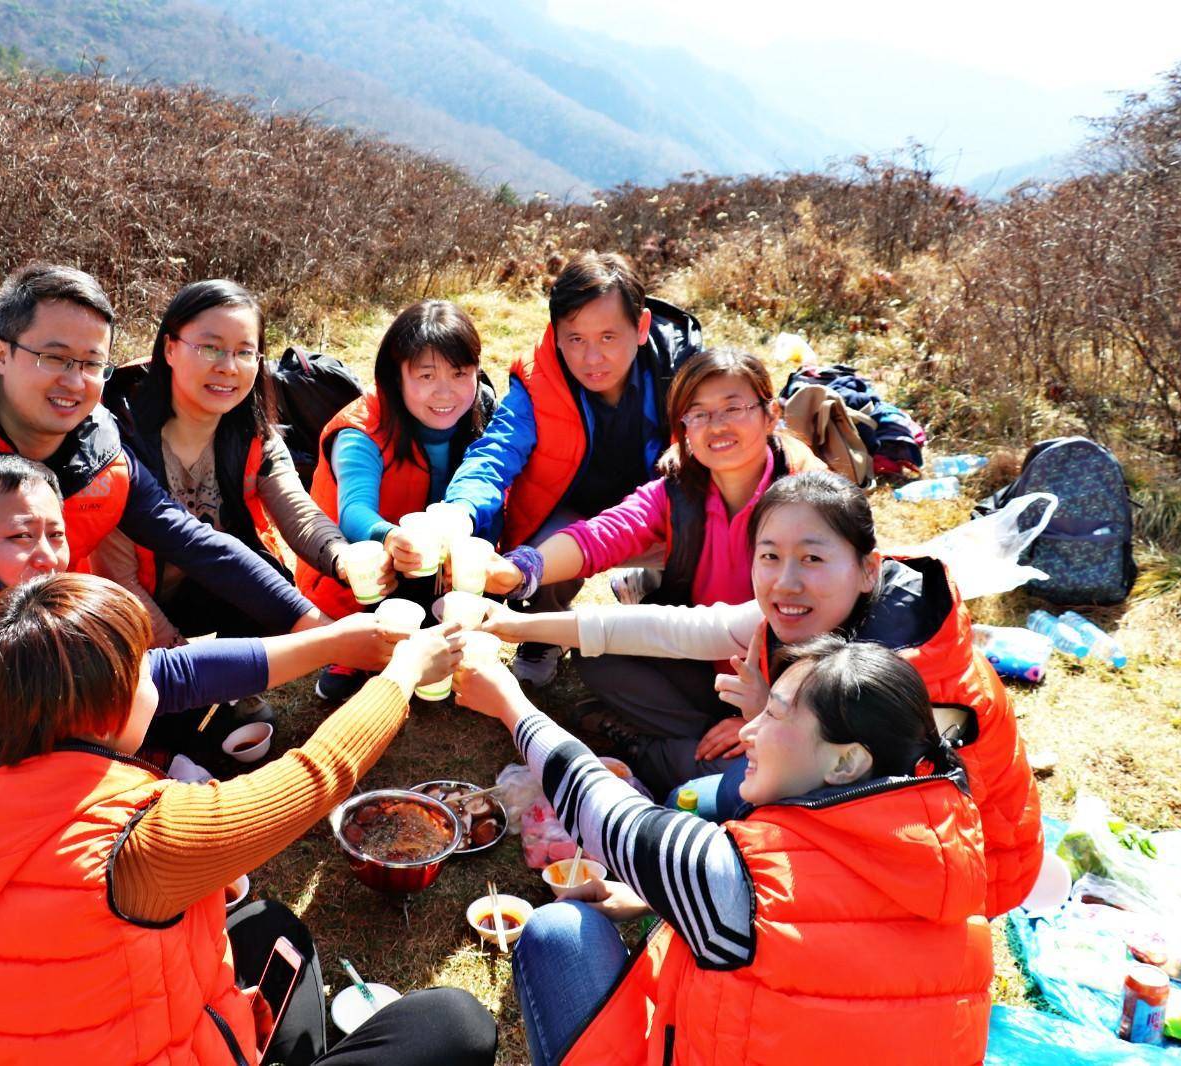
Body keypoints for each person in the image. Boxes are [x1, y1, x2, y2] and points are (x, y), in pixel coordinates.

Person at [0, 455, 404, 1064]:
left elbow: (159, 677)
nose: (47, 555)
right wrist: (398, 677)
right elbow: (297, 777)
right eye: (21, 536)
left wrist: (333, 640)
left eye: (56, 532)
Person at [0, 574, 497, 1066]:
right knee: (455, 1023)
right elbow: (318, 774)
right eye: (143, 667)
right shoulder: (141, 840)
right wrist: (404, 674)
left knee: (269, 929)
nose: (158, 676)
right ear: (105, 711)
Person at [481, 470, 1043, 916]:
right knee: (638, 693)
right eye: (769, 555)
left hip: (954, 880)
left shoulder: (889, 682)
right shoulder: (835, 605)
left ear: (868, 568)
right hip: (834, 789)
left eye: (813, 558)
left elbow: (849, 827)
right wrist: (509, 624)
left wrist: (759, 718)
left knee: (690, 801)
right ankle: (667, 758)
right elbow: (672, 630)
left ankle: (655, 759)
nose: (785, 581)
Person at [454, 636, 992, 1066]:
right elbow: (832, 938)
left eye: (775, 715)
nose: (750, 731)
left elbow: (603, 808)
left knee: (558, 932)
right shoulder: (952, 865)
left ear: (845, 764)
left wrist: (508, 700)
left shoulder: (743, 881)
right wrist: (654, 901)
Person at [0, 261, 324, 661]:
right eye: (55, 358)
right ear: (0, 353)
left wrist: (312, 623)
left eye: (92, 364)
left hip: (58, 651)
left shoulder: (99, 445)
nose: (75, 381)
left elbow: (193, 542)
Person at [482, 348, 827, 789]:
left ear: (770, 412)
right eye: (698, 414)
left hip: (791, 680)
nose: (716, 426)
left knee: (752, 776)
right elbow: (602, 535)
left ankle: (665, 751)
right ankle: (704, 739)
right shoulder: (680, 488)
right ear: (682, 427)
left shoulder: (808, 497)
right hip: (711, 662)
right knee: (597, 657)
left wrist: (771, 709)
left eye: (733, 408)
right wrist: (519, 570)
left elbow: (840, 633)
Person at [440, 252, 701, 687]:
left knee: (707, 522)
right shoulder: (539, 380)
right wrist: (458, 511)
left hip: (661, 509)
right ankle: (544, 627)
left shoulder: (685, 372)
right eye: (575, 338)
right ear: (556, 335)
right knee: (541, 541)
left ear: (640, 327)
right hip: (573, 511)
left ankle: (666, 594)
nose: (592, 357)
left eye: (607, 336)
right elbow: (496, 451)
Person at [97, 278, 357, 647]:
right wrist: (184, 662)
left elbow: (298, 512)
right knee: (176, 698)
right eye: (210, 348)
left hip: (221, 581)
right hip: (136, 600)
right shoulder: (119, 444)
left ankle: (239, 692)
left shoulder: (254, 436)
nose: (228, 367)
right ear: (169, 349)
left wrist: (343, 558)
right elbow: (118, 581)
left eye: (244, 352)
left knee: (270, 578)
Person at [298, 299, 493, 702]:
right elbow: (353, 511)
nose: (445, 392)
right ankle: (350, 645)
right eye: (426, 375)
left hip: (431, 569)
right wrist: (389, 537)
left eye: (460, 373)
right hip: (356, 574)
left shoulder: (480, 415)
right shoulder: (360, 431)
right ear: (395, 376)